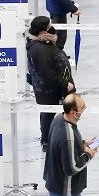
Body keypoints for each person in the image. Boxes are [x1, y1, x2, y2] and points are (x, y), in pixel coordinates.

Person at [27, 15, 75, 153]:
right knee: (49, 114)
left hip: (49, 89)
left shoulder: (41, 45)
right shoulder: (40, 50)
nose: (52, 29)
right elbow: (48, 74)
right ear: (42, 32)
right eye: (49, 27)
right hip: (50, 90)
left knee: (48, 114)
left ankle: (49, 139)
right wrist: (65, 84)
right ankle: (48, 141)